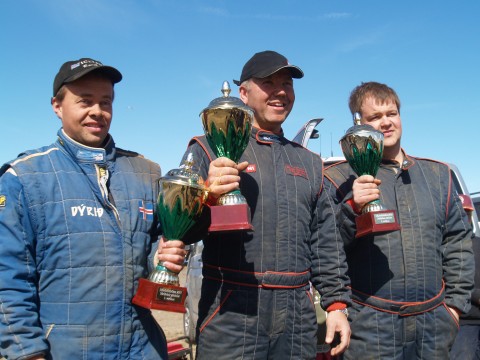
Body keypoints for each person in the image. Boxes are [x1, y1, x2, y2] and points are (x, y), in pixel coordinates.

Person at [0, 58, 186, 359]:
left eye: (105, 102)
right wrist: (27, 351)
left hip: (143, 347)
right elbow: (8, 279)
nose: (97, 111)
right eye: (84, 101)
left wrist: (165, 254)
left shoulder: (145, 171)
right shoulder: (25, 177)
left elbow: (153, 247)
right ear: (57, 106)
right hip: (64, 350)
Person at [182, 50, 351, 360]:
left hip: (297, 313)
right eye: (269, 82)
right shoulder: (208, 147)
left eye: (286, 83)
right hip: (232, 307)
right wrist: (206, 195)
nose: (281, 91)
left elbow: (326, 241)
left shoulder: (310, 162)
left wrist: (336, 303)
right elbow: (180, 230)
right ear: (243, 93)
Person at [324, 81, 474, 359]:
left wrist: (453, 307)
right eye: (375, 117)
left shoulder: (438, 175)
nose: (386, 123)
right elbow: (327, 250)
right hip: (370, 325)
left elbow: (458, 242)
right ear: (359, 122)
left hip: (433, 324)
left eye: (391, 114)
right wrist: (351, 209)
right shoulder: (338, 179)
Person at [451, 233, 480, 359]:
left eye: (467, 214)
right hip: (464, 322)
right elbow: (445, 281)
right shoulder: (448, 247)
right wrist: (476, 295)